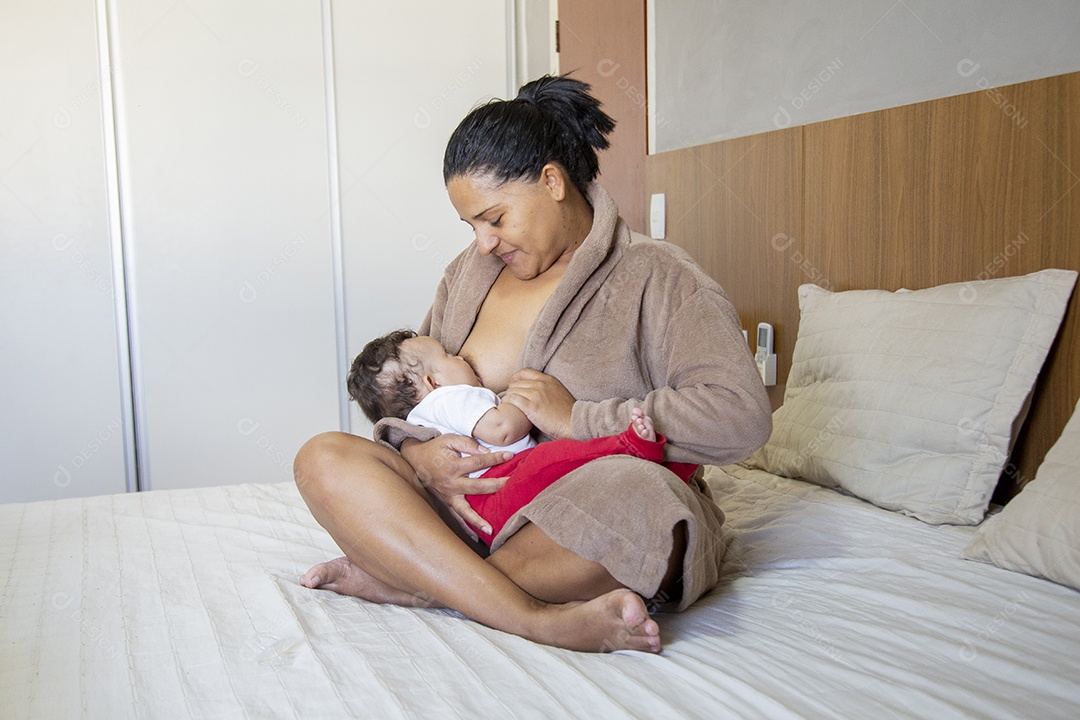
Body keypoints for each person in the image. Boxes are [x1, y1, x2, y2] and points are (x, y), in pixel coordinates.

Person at [294, 74, 771, 654]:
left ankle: (422, 582)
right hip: (462, 510)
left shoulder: (659, 278)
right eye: (471, 225)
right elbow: (415, 395)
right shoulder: (468, 276)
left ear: (551, 181)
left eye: (495, 218)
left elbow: (741, 415)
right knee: (324, 457)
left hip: (566, 522)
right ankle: (528, 614)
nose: (483, 242)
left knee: (648, 506)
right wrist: (422, 458)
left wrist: (580, 420)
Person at [347, 328, 698, 546]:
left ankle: (661, 465)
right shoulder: (449, 398)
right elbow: (501, 430)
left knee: (571, 472)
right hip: (495, 488)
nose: (461, 356)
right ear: (432, 383)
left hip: (486, 505)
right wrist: (521, 394)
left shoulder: (432, 407)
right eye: (449, 355)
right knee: (555, 458)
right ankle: (628, 446)